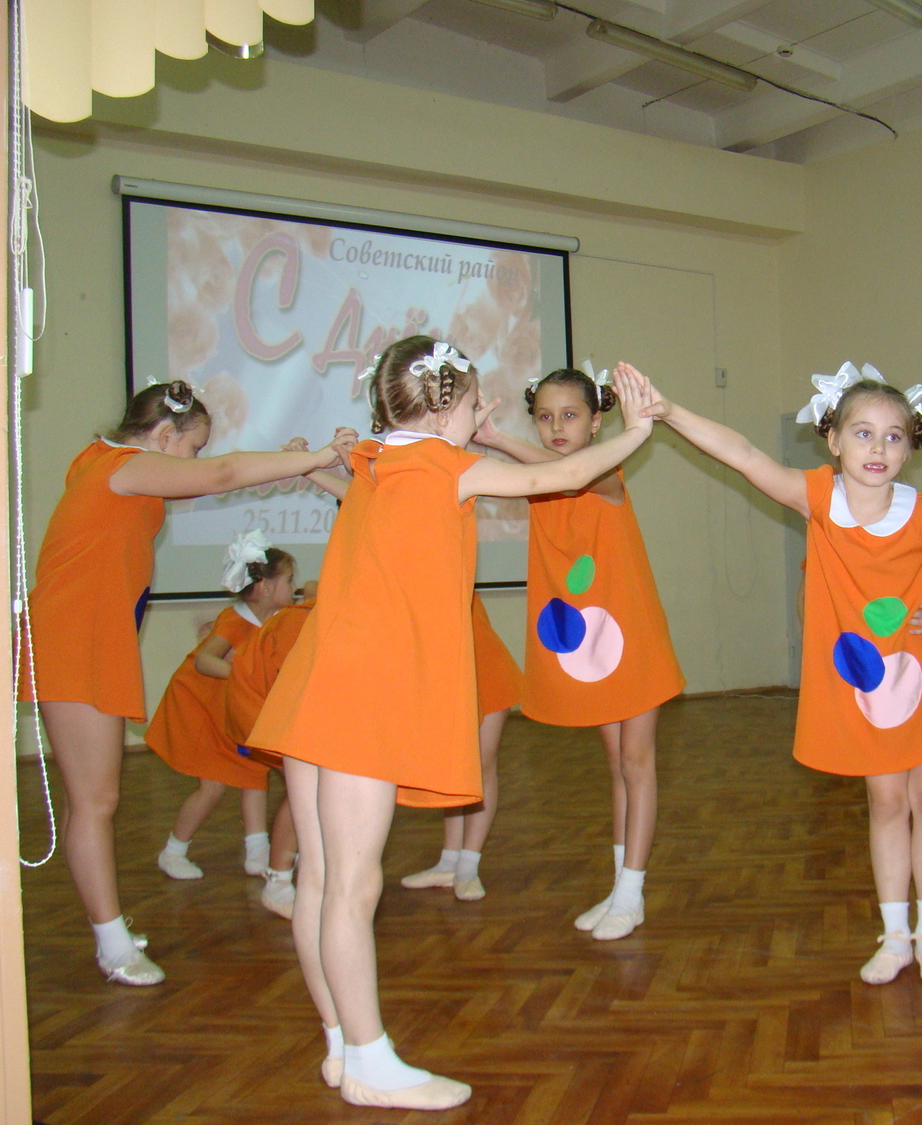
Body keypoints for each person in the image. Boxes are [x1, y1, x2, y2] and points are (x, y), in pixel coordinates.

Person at [249, 338, 659, 1110]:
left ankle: (341, 1042)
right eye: (473, 404)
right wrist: (637, 428)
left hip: (311, 688)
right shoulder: (447, 465)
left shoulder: (374, 461)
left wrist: (455, 424)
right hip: (363, 698)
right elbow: (563, 475)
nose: (480, 415)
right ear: (444, 412)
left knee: (322, 880)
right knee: (353, 886)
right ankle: (370, 1060)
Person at [639, 360, 922, 987]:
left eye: (893, 436)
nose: (878, 448)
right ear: (834, 439)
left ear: (910, 448)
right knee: (886, 803)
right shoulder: (817, 496)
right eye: (863, 433)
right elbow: (742, 454)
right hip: (868, 689)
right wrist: (671, 411)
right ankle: (894, 937)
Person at [20, 378, 354, 985]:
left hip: (89, 636)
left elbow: (213, 476)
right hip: (74, 639)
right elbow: (223, 474)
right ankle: (112, 944)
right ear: (162, 434)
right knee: (96, 800)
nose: (196, 459)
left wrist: (293, 464)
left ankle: (111, 931)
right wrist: (319, 456)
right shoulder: (121, 467)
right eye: (192, 446)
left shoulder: (98, 462)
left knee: (93, 799)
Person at [472, 363, 683, 942]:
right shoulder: (541, 482)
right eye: (544, 417)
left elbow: (570, 478)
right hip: (590, 647)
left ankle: (633, 894)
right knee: (617, 766)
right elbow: (545, 479)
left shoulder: (605, 474)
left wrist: (497, 440)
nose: (556, 427)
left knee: (637, 763)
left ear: (596, 422)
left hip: (632, 639)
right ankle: (620, 888)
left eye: (569, 415)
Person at [148, 533, 296, 881]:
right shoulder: (234, 622)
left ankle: (257, 851)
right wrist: (244, 677)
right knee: (213, 786)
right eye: (289, 581)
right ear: (265, 589)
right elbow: (204, 661)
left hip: (230, 707)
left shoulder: (273, 621)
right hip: (200, 707)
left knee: (253, 771)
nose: (294, 588)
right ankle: (173, 851)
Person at [400, 593, 521, 899]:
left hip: (484, 672)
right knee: (454, 769)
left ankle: (468, 866)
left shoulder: (451, 576)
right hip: (448, 675)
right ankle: (448, 862)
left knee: (481, 766)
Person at [224, 580, 321, 920]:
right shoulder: (302, 620)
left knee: (315, 786)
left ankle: (307, 862)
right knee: (306, 787)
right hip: (259, 711)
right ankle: (278, 881)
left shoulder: (317, 613)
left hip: (276, 707)